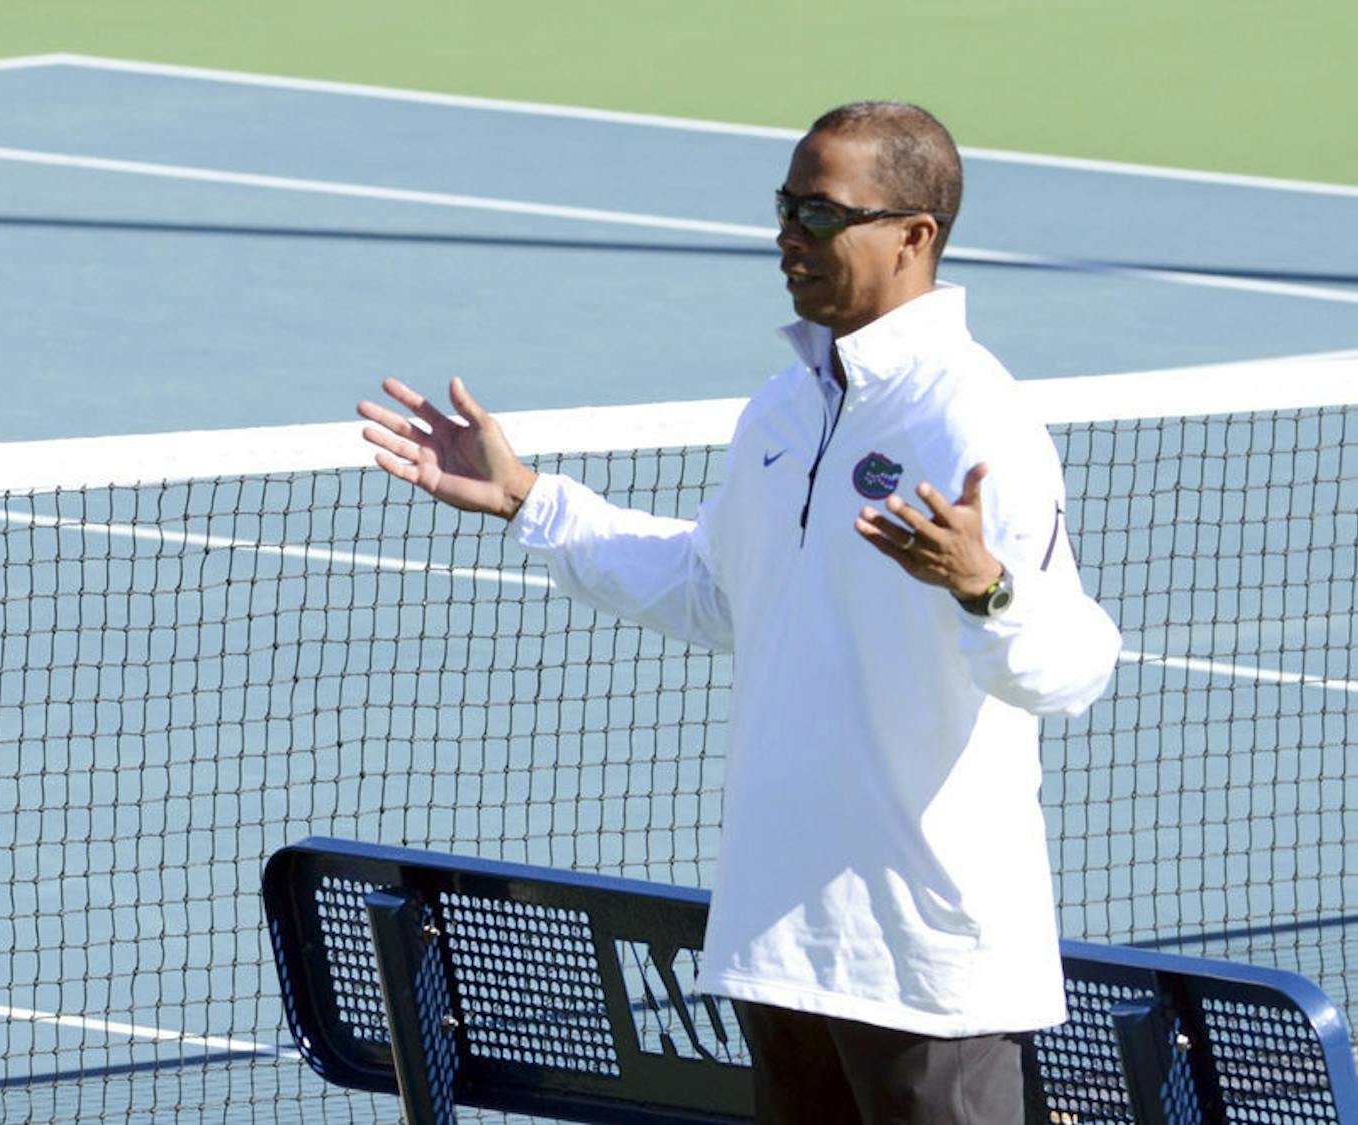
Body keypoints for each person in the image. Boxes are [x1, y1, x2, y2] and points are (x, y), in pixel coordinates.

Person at [358, 101, 1122, 1124]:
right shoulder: (782, 409)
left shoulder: (974, 422)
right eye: (783, 209)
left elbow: (1075, 666)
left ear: (913, 235)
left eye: (819, 214)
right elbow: (716, 590)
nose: (786, 239)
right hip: (780, 949)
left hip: (924, 974)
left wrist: (985, 588)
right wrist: (531, 502)